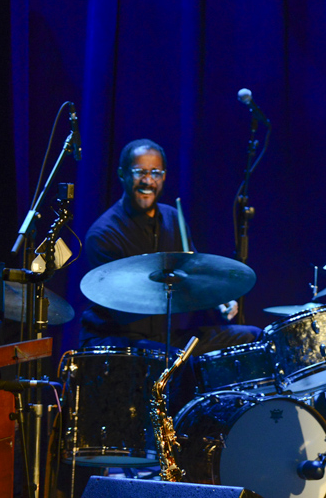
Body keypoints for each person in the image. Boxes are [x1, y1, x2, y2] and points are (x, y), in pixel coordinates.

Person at [79, 139, 260, 354]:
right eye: (140, 172)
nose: (148, 181)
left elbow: (195, 271)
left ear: (164, 177)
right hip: (116, 340)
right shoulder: (104, 234)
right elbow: (121, 311)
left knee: (252, 337)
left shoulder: (173, 219)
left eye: (155, 173)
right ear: (122, 174)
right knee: (176, 360)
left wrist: (219, 300)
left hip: (162, 337)